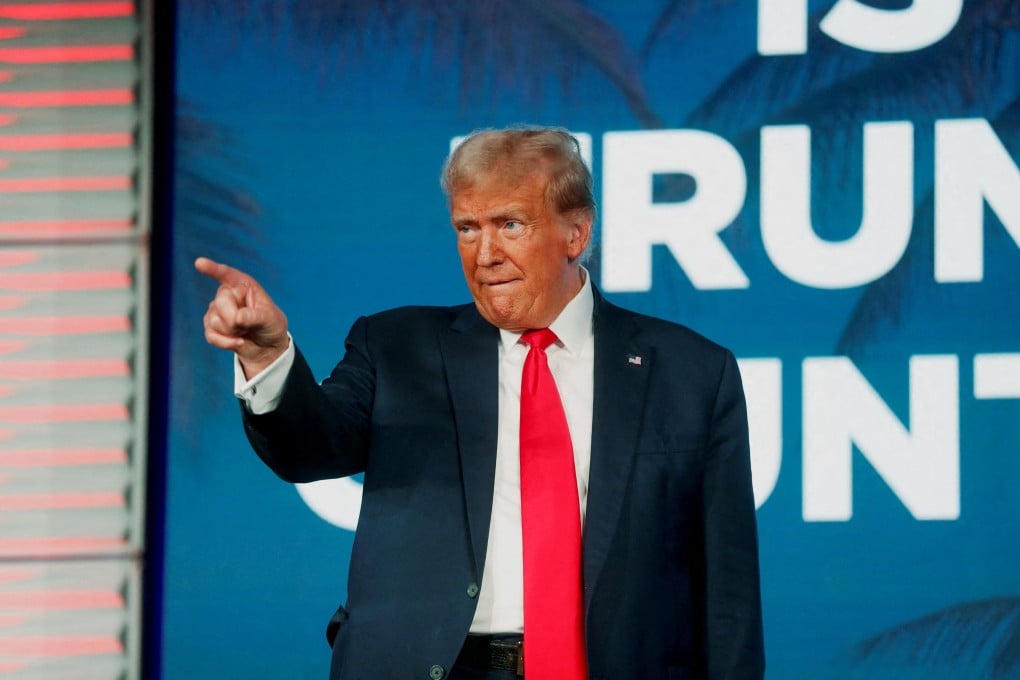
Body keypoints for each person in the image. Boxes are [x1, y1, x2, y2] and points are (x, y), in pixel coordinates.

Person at [197, 127, 764, 679]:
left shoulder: (691, 372)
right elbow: (309, 448)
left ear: (576, 233)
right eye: (467, 229)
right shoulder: (397, 349)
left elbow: (728, 591)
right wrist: (268, 354)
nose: (485, 253)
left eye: (510, 225)